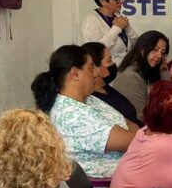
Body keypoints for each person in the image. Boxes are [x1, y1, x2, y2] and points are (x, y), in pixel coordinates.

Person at [32, 44, 136, 179]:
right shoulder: (72, 116)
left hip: (128, 175)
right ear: (75, 73)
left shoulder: (89, 98)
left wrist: (130, 131)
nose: (97, 72)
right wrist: (130, 131)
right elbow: (133, 141)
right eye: (91, 67)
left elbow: (130, 123)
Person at [79, 0, 137, 66]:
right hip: (107, 73)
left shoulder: (117, 16)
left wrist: (128, 28)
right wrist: (116, 29)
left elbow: (137, 44)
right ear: (102, 1)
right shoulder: (91, 20)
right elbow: (93, 52)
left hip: (124, 69)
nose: (121, 1)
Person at [114, 30, 170, 120]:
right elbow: (139, 118)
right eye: (155, 50)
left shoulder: (148, 69)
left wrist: (163, 70)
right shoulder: (129, 76)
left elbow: (169, 96)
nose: (159, 56)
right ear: (142, 48)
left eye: (163, 53)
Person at [82, 41, 139, 128]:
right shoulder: (92, 98)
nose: (113, 64)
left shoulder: (106, 88)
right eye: (109, 60)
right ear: (94, 67)